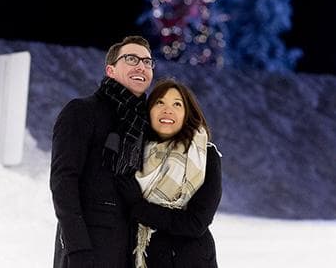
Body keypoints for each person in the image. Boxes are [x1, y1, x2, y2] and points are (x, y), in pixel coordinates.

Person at [50, 36, 156, 268]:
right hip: (88, 249)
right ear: (110, 70)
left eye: (148, 62)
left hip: (130, 251)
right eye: (131, 59)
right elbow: (63, 181)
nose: (141, 66)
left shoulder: (148, 124)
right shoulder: (82, 111)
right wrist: (77, 248)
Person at [117, 78, 222, 268]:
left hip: (188, 260)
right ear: (148, 111)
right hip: (141, 259)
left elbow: (195, 223)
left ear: (187, 113)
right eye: (160, 102)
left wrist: (138, 208)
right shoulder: (132, 154)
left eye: (177, 104)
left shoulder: (205, 156)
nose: (167, 109)